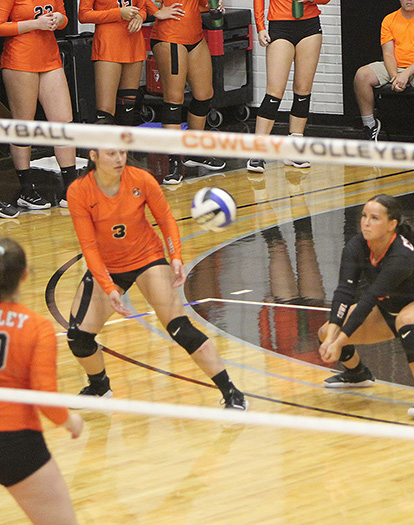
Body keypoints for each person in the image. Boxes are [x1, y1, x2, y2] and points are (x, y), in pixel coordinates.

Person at [66, 148, 247, 409]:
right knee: (78, 337)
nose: (119, 159)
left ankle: (232, 392)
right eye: (110, 154)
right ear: (93, 156)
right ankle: (99, 387)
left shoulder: (141, 179)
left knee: (179, 328)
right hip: (108, 266)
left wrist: (175, 257)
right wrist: (109, 287)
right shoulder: (79, 191)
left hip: (146, 259)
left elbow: (166, 219)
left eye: (122, 152)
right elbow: (89, 247)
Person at [318, 194, 414, 419]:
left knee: (406, 322)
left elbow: (370, 298)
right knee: (325, 330)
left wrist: (340, 341)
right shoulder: (356, 246)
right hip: (388, 310)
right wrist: (331, 338)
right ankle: (358, 374)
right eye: (364, 216)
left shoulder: (402, 256)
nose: (366, 222)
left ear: (391, 225)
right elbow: (344, 292)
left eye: (375, 218)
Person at [0, 237, 84, 525]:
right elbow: (45, 395)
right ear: (24, 275)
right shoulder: (37, 328)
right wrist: (70, 422)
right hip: (16, 444)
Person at [0, 0, 77, 216]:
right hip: (20, 60)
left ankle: (70, 188)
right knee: (24, 125)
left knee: (64, 122)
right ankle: (26, 189)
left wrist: (58, 20)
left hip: (50, 58)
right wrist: (34, 24)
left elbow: (64, 18)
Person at [246, 0, 330, 173]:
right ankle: (258, 151)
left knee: (303, 90)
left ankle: (295, 148)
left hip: (310, 26)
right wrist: (260, 26)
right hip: (280, 26)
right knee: (274, 92)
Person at [150, 0, 226, 184]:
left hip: (195, 35)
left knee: (204, 94)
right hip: (170, 36)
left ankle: (194, 152)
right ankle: (174, 161)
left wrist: (213, 5)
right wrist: (155, 11)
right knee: (174, 98)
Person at [79, 0, 185, 126]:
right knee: (104, 114)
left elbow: (142, 6)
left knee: (127, 110)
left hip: (133, 44)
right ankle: (104, 146)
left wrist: (142, 16)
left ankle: (122, 146)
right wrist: (118, 13)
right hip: (108, 45)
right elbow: (83, 15)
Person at [353, 0, 414, 145]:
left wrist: (405, 74)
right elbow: (388, 54)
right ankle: (369, 126)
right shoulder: (389, 19)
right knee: (361, 75)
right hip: (394, 66)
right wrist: (395, 76)